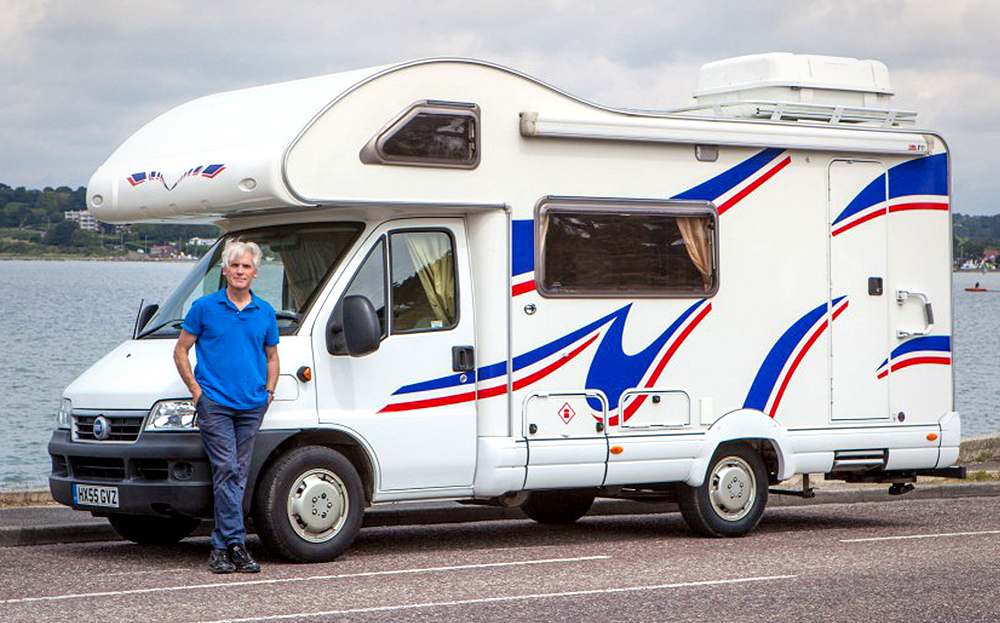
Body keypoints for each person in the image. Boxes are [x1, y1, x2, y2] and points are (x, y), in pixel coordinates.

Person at [174, 240, 279, 574]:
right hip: (215, 404)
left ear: (255, 273)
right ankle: (233, 545)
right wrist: (196, 391)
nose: (240, 272)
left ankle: (223, 547)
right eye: (235, 266)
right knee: (227, 470)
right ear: (225, 270)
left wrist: (270, 391)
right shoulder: (204, 307)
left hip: (252, 405)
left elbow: (272, 355)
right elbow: (181, 350)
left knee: (238, 474)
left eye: (246, 267)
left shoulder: (264, 311)